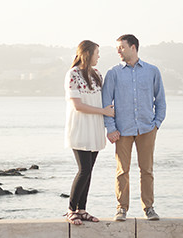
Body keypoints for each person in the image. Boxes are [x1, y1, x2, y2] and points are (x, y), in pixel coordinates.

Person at [101, 33, 166, 221]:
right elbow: (107, 104)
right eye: (117, 48)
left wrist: (156, 124)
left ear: (133, 47)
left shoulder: (152, 71)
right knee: (122, 171)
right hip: (122, 131)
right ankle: (121, 208)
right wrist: (111, 128)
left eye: (121, 47)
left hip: (147, 129)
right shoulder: (113, 73)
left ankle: (149, 208)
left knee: (147, 170)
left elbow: (160, 101)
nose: (118, 51)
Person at [63, 40, 114, 225]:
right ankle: (71, 209)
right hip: (80, 128)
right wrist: (104, 112)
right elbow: (78, 105)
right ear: (87, 53)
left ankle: (82, 209)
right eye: (96, 52)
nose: (98, 56)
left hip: (95, 128)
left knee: (89, 171)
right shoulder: (73, 74)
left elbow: (102, 101)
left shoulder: (97, 74)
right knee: (84, 170)